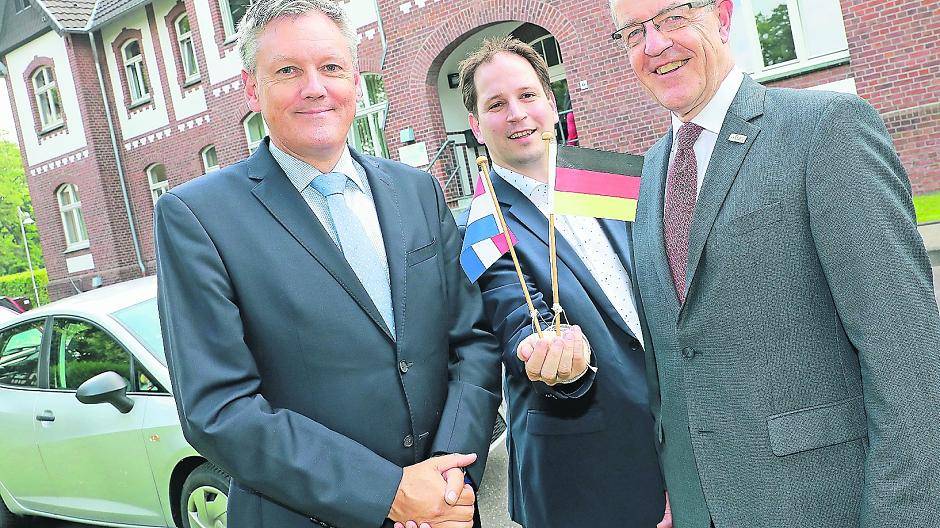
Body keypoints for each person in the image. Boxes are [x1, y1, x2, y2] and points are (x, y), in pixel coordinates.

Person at [154, 1, 502, 527]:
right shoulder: (197, 217)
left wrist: (448, 478)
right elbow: (218, 410)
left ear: (356, 81)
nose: (315, 87)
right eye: (288, 70)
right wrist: (388, 492)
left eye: (332, 67)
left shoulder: (417, 190)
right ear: (252, 88)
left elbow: (472, 340)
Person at [609, 0, 940, 526]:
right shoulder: (650, 172)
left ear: (722, 14)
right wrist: (684, 488)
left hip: (824, 506)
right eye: (633, 33)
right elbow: (676, 361)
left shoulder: (826, 130)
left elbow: (908, 358)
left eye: (674, 17)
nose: (654, 46)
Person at [457, 37, 667, 528]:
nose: (516, 113)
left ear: (551, 104)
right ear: (476, 126)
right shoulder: (482, 230)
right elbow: (514, 311)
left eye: (528, 96)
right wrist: (548, 353)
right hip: (583, 480)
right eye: (496, 104)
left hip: (678, 444)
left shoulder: (615, 182)